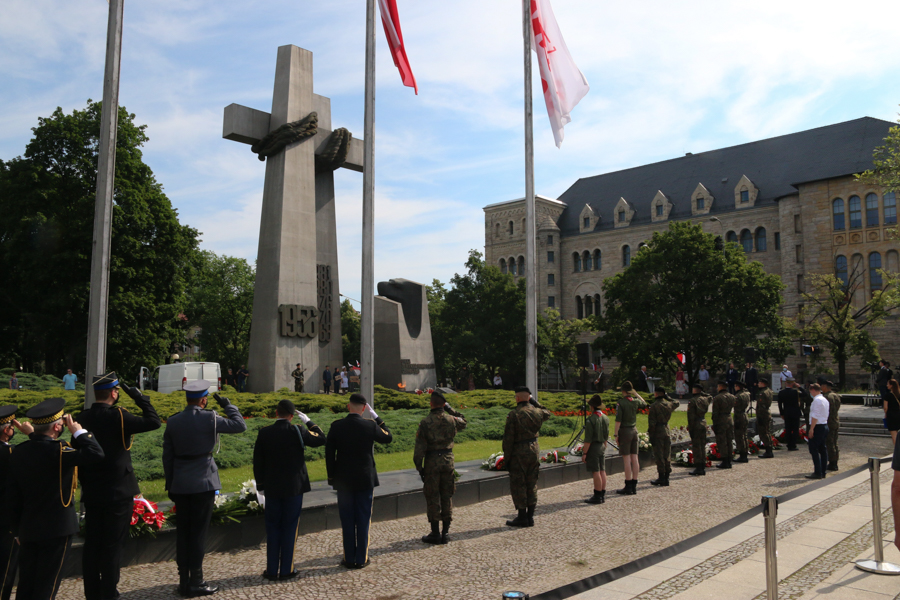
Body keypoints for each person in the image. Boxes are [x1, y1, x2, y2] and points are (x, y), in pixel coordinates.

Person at [7, 398, 104, 600]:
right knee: (47, 585)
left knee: (27, 582)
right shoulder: (60, 451)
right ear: (58, 426)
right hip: (57, 528)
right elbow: (96, 453)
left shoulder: (19, 452)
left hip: (28, 526)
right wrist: (78, 431)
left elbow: (13, 494)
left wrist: (16, 528)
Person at [76, 372, 162, 600]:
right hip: (118, 491)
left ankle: (92, 593)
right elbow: (154, 421)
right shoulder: (120, 417)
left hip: (93, 491)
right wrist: (140, 398)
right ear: (115, 393)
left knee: (93, 544)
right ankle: (109, 593)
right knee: (113, 545)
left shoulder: (81, 418)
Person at [163, 380, 247, 596]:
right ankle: (196, 582)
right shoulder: (210, 418)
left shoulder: (173, 421)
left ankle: (183, 580)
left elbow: (167, 457)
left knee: (183, 533)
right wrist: (229, 406)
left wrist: (170, 483)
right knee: (198, 533)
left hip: (181, 483)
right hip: (204, 483)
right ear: (203, 400)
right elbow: (240, 425)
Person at [253, 400, 325, 580]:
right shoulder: (298, 430)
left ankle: (271, 570)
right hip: (293, 488)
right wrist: (308, 421)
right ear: (292, 416)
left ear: (276, 412)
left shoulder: (264, 432)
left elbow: (258, 462)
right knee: (290, 528)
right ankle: (287, 569)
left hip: (272, 487)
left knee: (273, 527)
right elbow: (321, 438)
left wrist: (260, 486)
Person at [326, 394, 392, 568]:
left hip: (343, 480)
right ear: (364, 408)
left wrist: (331, 477)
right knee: (363, 518)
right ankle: (361, 558)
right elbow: (388, 437)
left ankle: (349, 557)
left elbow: (329, 455)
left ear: (349, 406)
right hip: (365, 479)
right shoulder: (370, 425)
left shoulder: (337, 426)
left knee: (347, 519)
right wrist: (378, 418)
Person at [413, 391, 467, 544]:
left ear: (431, 403)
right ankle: (446, 532)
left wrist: (419, 467)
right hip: (448, 460)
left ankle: (435, 532)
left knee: (432, 496)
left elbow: (419, 449)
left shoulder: (425, 422)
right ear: (444, 404)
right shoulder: (452, 420)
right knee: (447, 494)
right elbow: (464, 421)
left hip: (432, 462)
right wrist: (451, 409)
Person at [503, 387, 551, 526]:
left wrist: (507, 458)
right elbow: (547, 412)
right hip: (533, 449)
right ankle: (530, 517)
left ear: (517, 398)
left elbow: (508, 439)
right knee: (532, 482)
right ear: (529, 398)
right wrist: (535, 403)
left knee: (519, 484)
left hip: (519, 451)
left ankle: (522, 516)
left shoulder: (514, 414)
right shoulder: (538, 412)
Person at [0, 405, 33, 600]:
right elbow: (38, 453)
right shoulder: (12, 452)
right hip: (6, 521)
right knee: (5, 571)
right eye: (12, 427)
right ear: (7, 430)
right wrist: (29, 434)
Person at [615, 381, 648, 495]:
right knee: (635, 458)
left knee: (627, 459)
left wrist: (615, 435)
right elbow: (644, 403)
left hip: (625, 431)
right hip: (634, 431)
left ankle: (628, 485)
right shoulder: (635, 401)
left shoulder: (621, 403)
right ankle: (634, 484)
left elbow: (618, 420)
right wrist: (636, 394)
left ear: (623, 391)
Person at [648, 387, 679, 486]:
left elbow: (652, 423)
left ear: (657, 394)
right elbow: (676, 402)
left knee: (659, 455)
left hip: (658, 431)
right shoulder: (668, 404)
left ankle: (661, 477)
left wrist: (651, 435)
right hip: (666, 429)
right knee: (667, 454)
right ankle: (667, 476)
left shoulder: (654, 406)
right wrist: (668, 397)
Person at [582, 395, 610, 504]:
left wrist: (585, 453)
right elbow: (606, 435)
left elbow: (588, 439)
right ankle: (602, 493)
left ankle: (597, 495)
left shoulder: (591, 420)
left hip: (593, 447)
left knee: (596, 471)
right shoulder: (605, 417)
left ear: (592, 406)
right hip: (602, 445)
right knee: (602, 470)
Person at [806, 383, 830, 479]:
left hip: (818, 426)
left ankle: (818, 471)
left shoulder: (817, 400)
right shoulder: (824, 399)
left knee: (813, 449)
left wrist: (811, 429)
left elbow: (815, 415)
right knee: (822, 449)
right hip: (824, 425)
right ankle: (823, 471)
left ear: (813, 390)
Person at [687, 382, 711, 476]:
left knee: (696, 446)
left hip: (696, 424)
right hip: (703, 422)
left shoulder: (692, 401)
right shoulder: (705, 399)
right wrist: (702, 393)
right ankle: (703, 464)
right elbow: (710, 396)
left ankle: (698, 467)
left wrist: (691, 428)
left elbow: (691, 416)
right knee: (702, 445)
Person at [711, 381, 735, 469]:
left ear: (721, 387)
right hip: (729, 418)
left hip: (721, 420)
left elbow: (715, 413)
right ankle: (729, 458)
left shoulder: (718, 398)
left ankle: (725, 460)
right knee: (729, 440)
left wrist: (715, 424)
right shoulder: (732, 397)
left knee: (722, 440)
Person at [777, 377, 802, 451]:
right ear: (793, 384)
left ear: (786, 383)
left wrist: (781, 413)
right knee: (795, 429)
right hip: (795, 412)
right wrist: (799, 387)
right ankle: (793, 445)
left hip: (787, 412)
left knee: (788, 429)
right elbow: (805, 394)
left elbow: (779, 404)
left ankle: (789, 444)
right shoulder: (796, 392)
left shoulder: (781, 392)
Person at [822, 380, 841, 471]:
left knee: (830, 443)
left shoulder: (826, 397)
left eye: (822, 386)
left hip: (829, 421)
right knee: (835, 442)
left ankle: (832, 463)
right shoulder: (836, 395)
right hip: (835, 420)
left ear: (825, 387)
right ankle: (835, 461)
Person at [732, 380, 751, 463]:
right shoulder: (746, 394)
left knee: (739, 436)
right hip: (744, 414)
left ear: (738, 386)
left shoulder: (738, 396)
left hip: (739, 416)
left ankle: (742, 454)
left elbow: (735, 405)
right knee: (744, 435)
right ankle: (745, 452)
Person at [756, 379, 774, 459]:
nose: (758, 384)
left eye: (759, 383)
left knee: (763, 432)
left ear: (763, 384)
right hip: (766, 412)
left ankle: (768, 450)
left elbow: (761, 404)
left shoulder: (762, 393)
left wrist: (760, 416)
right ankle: (769, 449)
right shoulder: (769, 391)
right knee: (767, 431)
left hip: (763, 413)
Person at [886, 379, 900, 446]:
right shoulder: (899, 395)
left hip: (891, 416)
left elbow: (886, 407)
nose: (887, 385)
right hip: (898, 414)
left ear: (891, 386)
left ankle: (897, 451)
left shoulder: (888, 395)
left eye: (888, 384)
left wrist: (886, 414)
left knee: (894, 435)